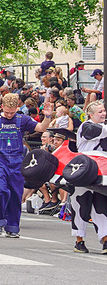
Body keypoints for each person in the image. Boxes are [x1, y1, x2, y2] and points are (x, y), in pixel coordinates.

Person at [0, 93, 53, 238]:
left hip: (17, 161)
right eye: (6, 112)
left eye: (12, 112)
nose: (8, 115)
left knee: (15, 194)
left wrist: (48, 116)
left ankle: (12, 226)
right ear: (1, 107)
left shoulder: (22, 119)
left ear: (17, 108)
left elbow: (40, 128)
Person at [70, 100, 107, 253]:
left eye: (104, 111)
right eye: (100, 112)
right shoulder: (87, 126)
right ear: (91, 115)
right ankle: (79, 240)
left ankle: (105, 238)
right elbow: (99, 131)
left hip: (102, 168)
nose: (104, 114)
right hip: (84, 168)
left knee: (102, 203)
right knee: (81, 203)